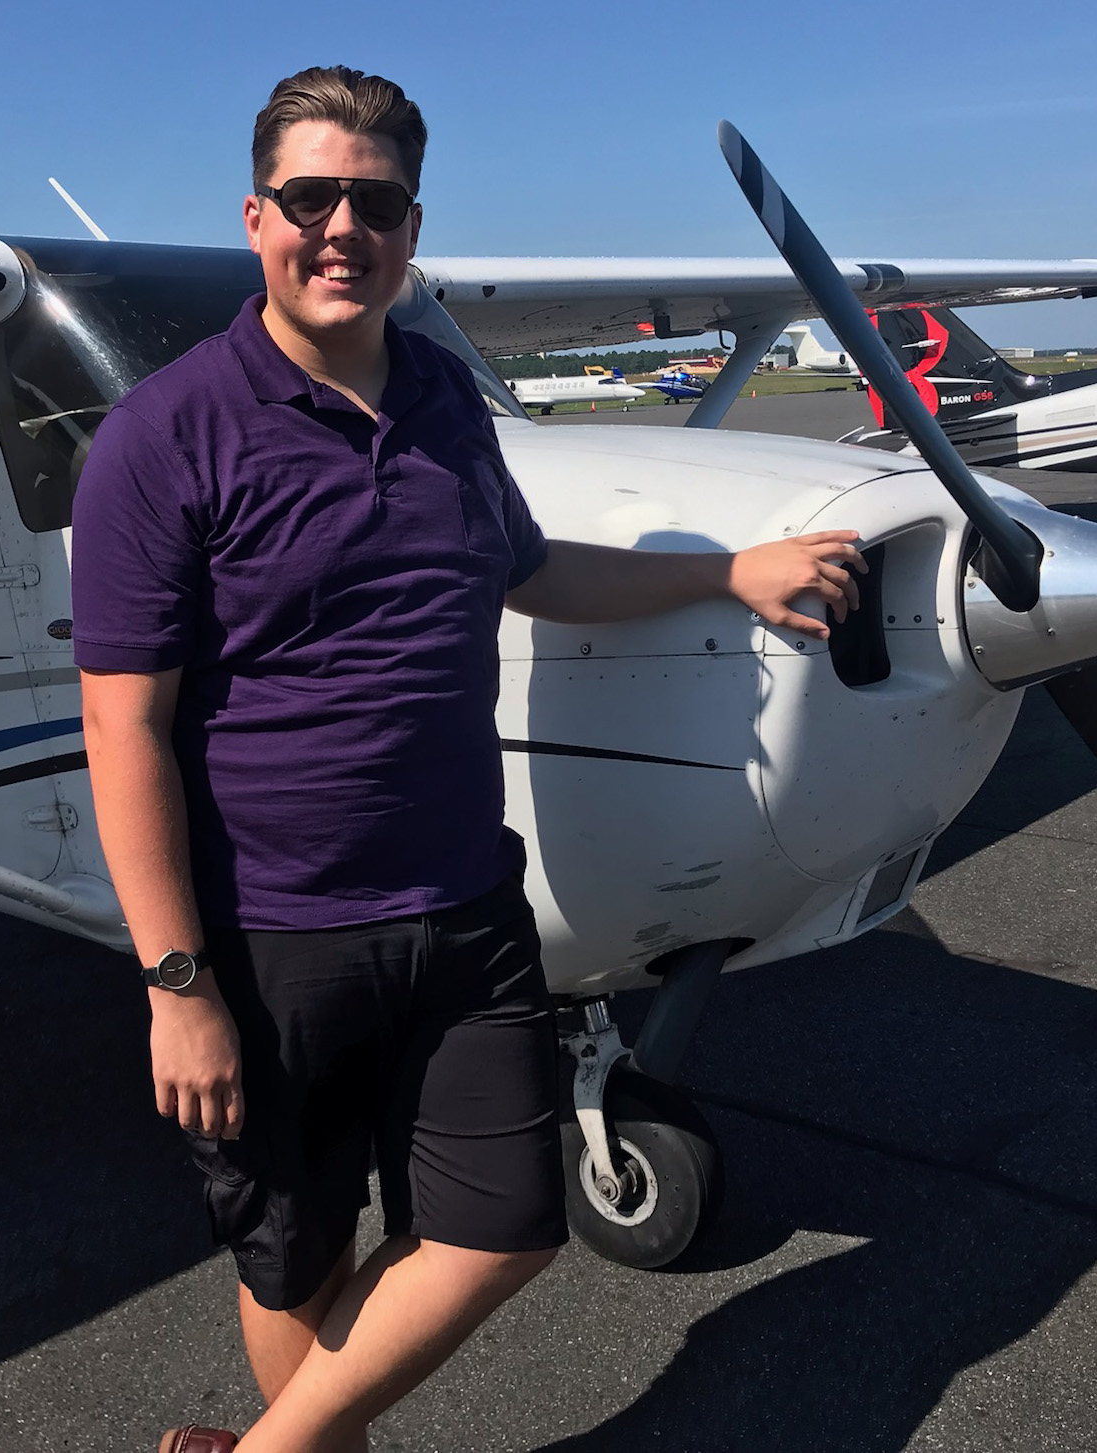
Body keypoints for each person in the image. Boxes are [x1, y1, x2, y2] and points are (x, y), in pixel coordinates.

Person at [71, 66, 865, 1453]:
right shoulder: (165, 434)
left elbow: (534, 567)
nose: (341, 228)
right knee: (296, 1255)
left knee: (504, 1228)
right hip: (268, 934)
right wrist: (176, 984)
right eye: (310, 198)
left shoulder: (441, 394)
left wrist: (728, 570)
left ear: (411, 227)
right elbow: (123, 723)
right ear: (256, 217)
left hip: (466, 906)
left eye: (372, 202)